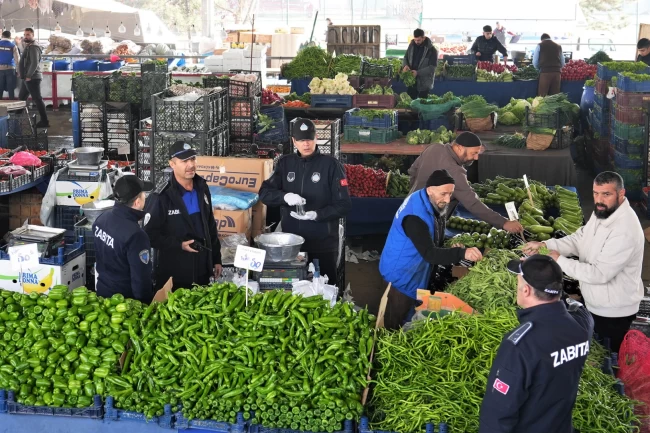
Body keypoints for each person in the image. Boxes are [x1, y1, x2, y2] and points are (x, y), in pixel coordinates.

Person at [522, 172, 644, 353]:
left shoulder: (625, 230)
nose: (599, 200)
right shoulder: (604, 212)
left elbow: (599, 274)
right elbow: (580, 238)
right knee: (594, 352)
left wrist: (559, 260)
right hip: (597, 302)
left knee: (606, 357)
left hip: (613, 312)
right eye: (596, 193)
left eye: (606, 194)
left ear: (621, 194)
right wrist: (546, 245)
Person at [479, 254, 594, 433]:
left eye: (518, 282)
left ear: (526, 290)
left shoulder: (520, 345)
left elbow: (498, 413)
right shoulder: (581, 328)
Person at [379, 170, 484, 329]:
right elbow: (430, 254)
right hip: (401, 274)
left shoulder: (427, 200)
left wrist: (448, 246)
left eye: (450, 194)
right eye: (443, 194)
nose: (447, 199)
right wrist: (462, 253)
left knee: (409, 317)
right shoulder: (414, 217)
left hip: (414, 267)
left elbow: (432, 236)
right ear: (430, 190)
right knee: (395, 323)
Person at [259, 118, 351, 287]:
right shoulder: (285, 164)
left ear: (316, 138)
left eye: (309, 139)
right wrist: (285, 197)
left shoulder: (331, 165)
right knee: (294, 291)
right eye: (301, 140)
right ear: (294, 141)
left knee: (325, 290)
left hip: (323, 244)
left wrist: (317, 215)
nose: (306, 144)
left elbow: (344, 205)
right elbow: (264, 193)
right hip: (292, 246)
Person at [408, 132, 523, 234]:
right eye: (473, 153)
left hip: (409, 209)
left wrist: (414, 192)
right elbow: (472, 203)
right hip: (427, 221)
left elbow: (412, 171)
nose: (476, 158)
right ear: (459, 148)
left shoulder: (434, 148)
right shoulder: (454, 171)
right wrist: (504, 223)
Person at [144, 141, 222, 290]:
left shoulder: (202, 187)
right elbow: (149, 235)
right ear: (172, 164)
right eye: (184, 161)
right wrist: (179, 245)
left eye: (193, 159)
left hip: (202, 270)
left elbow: (210, 224)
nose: (191, 165)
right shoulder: (162, 197)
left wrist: (216, 258)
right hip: (175, 274)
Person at [93, 174, 155, 304]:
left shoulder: (101, 219)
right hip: (124, 304)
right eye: (143, 194)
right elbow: (141, 280)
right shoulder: (136, 236)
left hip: (102, 295)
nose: (145, 196)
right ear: (137, 202)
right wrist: (146, 305)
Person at [17, 28, 48, 128]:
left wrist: (29, 75)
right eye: (25, 34)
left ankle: (44, 121)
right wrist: (22, 73)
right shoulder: (29, 46)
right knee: (21, 98)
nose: (26, 37)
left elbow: (34, 63)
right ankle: (15, 121)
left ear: (33, 35)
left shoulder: (34, 47)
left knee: (37, 99)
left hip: (32, 78)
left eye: (28, 35)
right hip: (27, 77)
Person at [402, 29, 438, 99]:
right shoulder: (411, 46)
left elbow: (432, 68)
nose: (416, 42)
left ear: (423, 38)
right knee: (410, 102)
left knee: (423, 102)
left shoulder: (432, 50)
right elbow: (405, 57)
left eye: (418, 40)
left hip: (424, 83)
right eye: (415, 40)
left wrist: (417, 73)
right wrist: (405, 65)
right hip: (412, 81)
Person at [0, 31, 19, 99]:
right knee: (11, 88)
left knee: (0, 88)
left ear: (2, 36)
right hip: (10, 69)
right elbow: (17, 60)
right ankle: (11, 103)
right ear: (10, 37)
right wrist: (18, 71)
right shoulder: (13, 46)